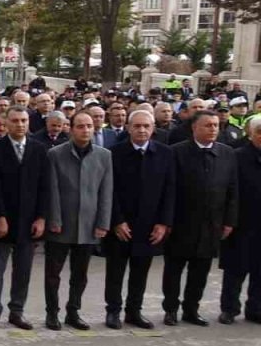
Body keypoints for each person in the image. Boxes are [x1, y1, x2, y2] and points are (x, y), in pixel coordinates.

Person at [163, 111, 238, 326]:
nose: (213, 129)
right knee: (174, 270)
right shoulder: (176, 152)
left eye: (215, 125)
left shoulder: (227, 153)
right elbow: (168, 189)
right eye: (208, 125)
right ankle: (170, 309)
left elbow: (233, 190)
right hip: (181, 222)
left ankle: (191, 309)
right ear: (194, 128)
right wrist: (166, 221)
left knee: (200, 271)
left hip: (212, 224)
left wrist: (229, 221)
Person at [102, 109, 173, 329]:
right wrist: (116, 220)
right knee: (115, 271)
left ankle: (134, 311)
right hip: (121, 224)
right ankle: (113, 311)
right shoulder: (113, 153)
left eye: (146, 126)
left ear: (153, 129)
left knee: (140, 272)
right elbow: (108, 190)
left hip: (149, 225)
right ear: (128, 128)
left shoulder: (165, 153)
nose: (142, 130)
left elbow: (170, 190)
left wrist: (163, 223)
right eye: (137, 126)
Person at [43, 112, 112, 331]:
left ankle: (73, 311)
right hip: (61, 224)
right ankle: (52, 312)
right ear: (71, 129)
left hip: (89, 225)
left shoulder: (104, 155)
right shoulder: (55, 154)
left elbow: (106, 191)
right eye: (80, 126)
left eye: (89, 126)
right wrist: (54, 219)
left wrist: (103, 222)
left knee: (80, 274)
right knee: (53, 274)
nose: (85, 130)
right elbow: (52, 189)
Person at [0, 107, 48, 330]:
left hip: (29, 220)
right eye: (15, 121)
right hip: (1, 219)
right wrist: (0, 216)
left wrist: (41, 217)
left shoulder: (39, 149)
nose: (20, 124)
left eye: (23, 120)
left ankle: (17, 311)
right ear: (6, 123)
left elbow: (45, 187)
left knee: (23, 269)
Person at [219, 117, 261, 323]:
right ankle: (229, 309)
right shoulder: (237, 156)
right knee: (235, 269)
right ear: (250, 135)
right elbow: (228, 190)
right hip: (241, 222)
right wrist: (228, 219)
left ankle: (256, 309)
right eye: (259, 132)